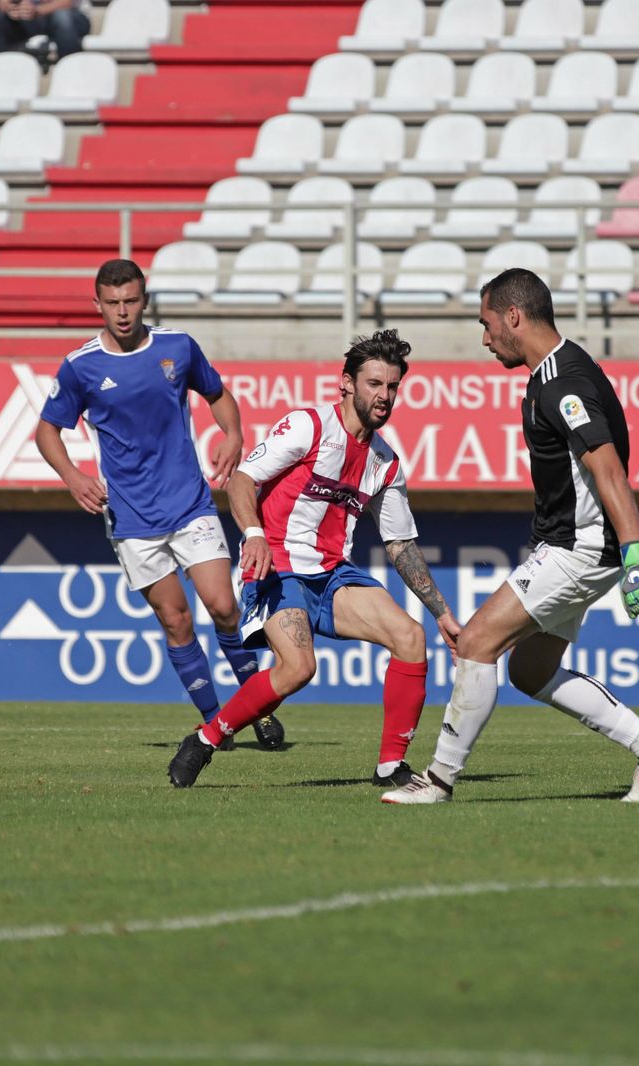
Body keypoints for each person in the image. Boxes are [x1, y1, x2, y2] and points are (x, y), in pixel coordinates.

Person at [381, 269, 639, 806]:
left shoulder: (562, 382)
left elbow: (608, 468)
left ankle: (436, 782)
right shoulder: (561, 368)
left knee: (477, 642)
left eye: (486, 324)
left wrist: (637, 552)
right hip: (579, 546)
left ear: (513, 318)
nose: (484, 339)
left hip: (579, 548)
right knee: (531, 670)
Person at [165, 330, 463, 791]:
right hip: (278, 566)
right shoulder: (309, 426)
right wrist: (254, 535)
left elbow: (400, 544)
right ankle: (205, 740)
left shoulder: (384, 462)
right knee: (299, 668)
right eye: (374, 384)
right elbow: (241, 480)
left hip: (332, 575)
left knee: (410, 637)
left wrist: (442, 612)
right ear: (346, 384)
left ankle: (390, 766)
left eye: (392, 387)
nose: (384, 396)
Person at [35, 259, 283, 757]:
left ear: (143, 299)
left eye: (130, 301)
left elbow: (218, 395)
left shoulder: (177, 346)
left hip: (190, 503)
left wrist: (232, 435)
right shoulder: (80, 366)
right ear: (97, 305)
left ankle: (258, 707)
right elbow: (47, 432)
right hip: (131, 518)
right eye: (112, 303)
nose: (122, 312)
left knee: (224, 607)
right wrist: (74, 477)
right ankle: (216, 722)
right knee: (176, 621)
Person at [0, 0, 92, 66]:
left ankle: (70, 72)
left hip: (70, 15)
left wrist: (38, 10)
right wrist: (11, 7)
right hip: (25, 19)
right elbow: (1, 2)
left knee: (62, 18)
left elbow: (67, 2)